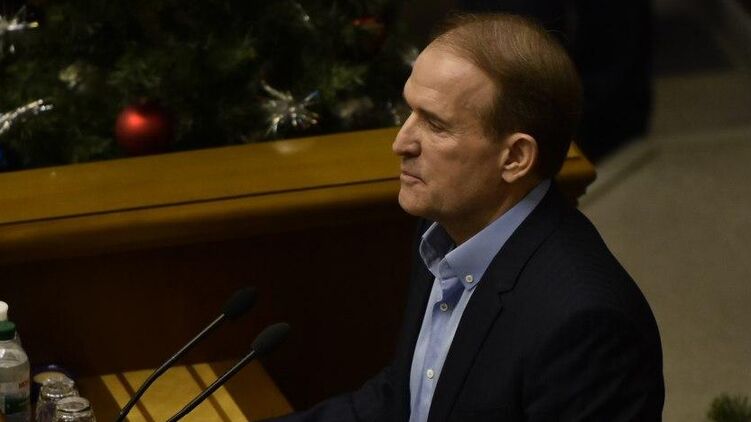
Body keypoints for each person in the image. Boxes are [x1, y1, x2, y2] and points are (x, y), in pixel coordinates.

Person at [270, 13, 664, 422]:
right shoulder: (443, 230)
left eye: (435, 125)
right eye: (409, 111)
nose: (401, 142)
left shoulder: (586, 327)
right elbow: (404, 400)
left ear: (515, 158)